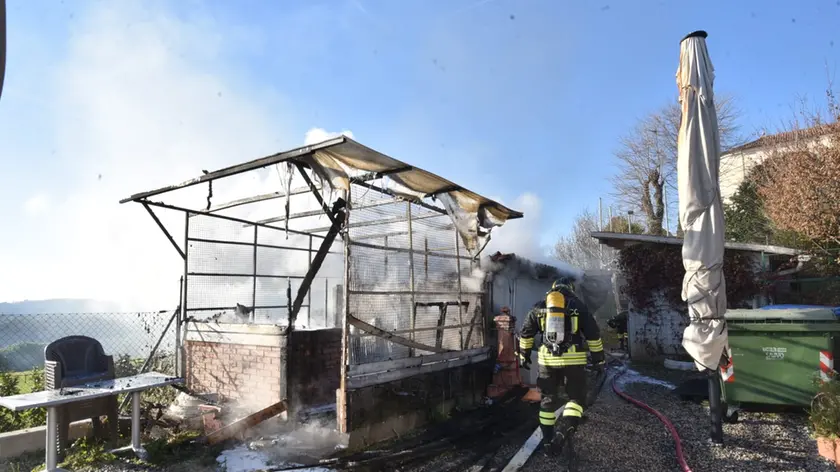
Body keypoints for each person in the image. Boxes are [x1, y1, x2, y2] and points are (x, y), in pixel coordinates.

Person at [518, 276, 605, 453]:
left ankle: (548, 440)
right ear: (571, 288)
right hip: (574, 362)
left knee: (548, 399)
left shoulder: (539, 307)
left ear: (553, 288)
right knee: (575, 398)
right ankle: (565, 432)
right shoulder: (578, 306)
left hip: (547, 362)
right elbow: (593, 335)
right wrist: (599, 360)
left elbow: (526, 333)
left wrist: (524, 356)